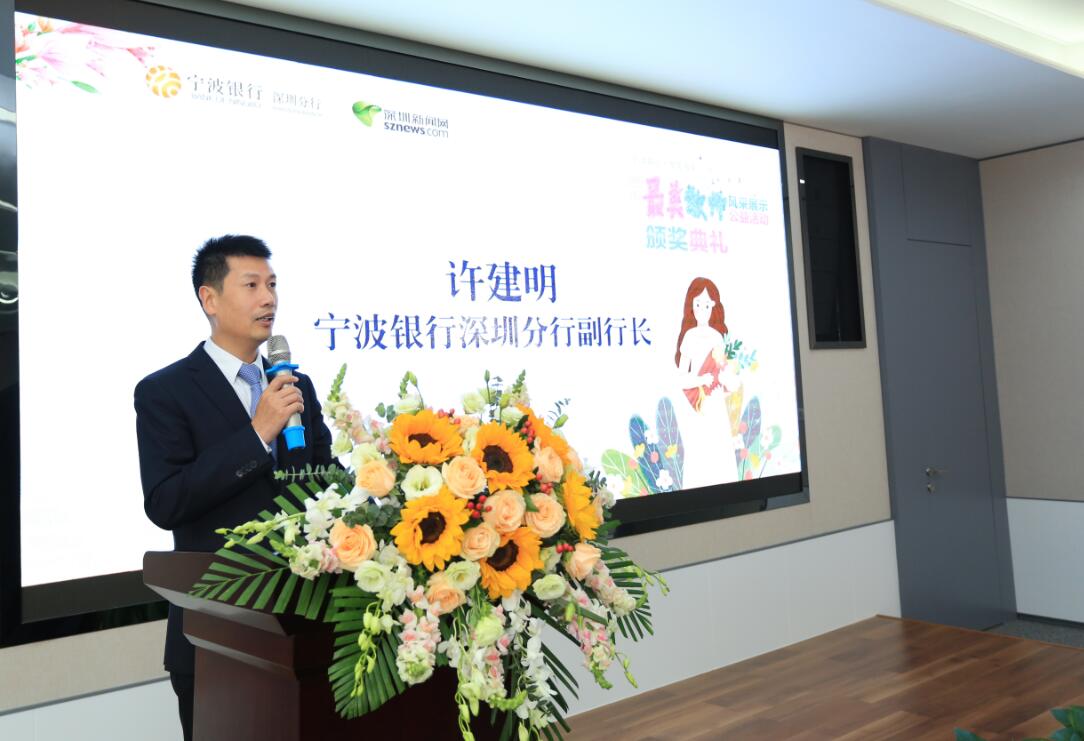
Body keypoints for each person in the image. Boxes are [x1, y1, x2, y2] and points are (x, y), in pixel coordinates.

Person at [134, 235, 333, 741]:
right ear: (210, 299)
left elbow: (324, 486)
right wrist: (256, 435)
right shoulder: (165, 391)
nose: (269, 298)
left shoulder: (296, 386)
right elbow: (166, 501)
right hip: (215, 637)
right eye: (251, 285)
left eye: (272, 284)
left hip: (304, 630)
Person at [674, 276, 741, 486]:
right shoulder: (689, 337)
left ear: (713, 306)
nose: (702, 309)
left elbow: (724, 372)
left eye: (706, 305)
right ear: (691, 306)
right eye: (697, 304)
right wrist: (700, 379)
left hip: (716, 405)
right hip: (698, 406)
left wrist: (728, 380)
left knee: (720, 451)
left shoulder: (717, 337)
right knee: (699, 452)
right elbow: (681, 379)